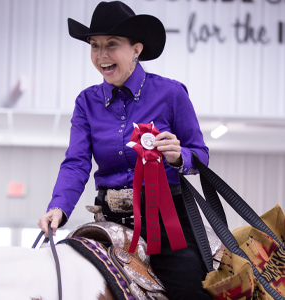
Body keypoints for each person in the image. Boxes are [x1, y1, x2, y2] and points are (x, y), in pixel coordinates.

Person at [38, 1, 212, 299]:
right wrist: (58, 207)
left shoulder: (171, 94)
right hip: (109, 219)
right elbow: (77, 162)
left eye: (112, 45)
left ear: (136, 49)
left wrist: (177, 156)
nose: (101, 55)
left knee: (188, 290)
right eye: (94, 46)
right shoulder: (86, 102)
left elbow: (200, 155)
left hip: (166, 221)